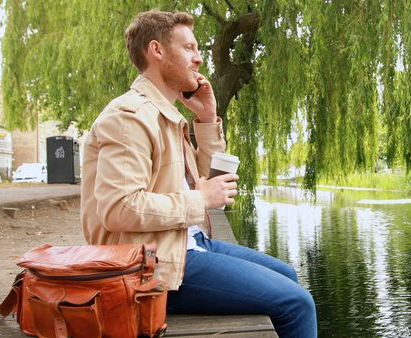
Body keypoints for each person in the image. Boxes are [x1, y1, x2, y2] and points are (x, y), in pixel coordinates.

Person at [80, 9, 317, 338]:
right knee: (298, 303)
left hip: (186, 241)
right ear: (157, 51)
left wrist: (207, 119)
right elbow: (118, 209)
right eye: (189, 48)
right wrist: (200, 199)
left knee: (288, 275)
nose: (199, 59)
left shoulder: (166, 115)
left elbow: (202, 177)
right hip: (150, 264)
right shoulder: (129, 118)